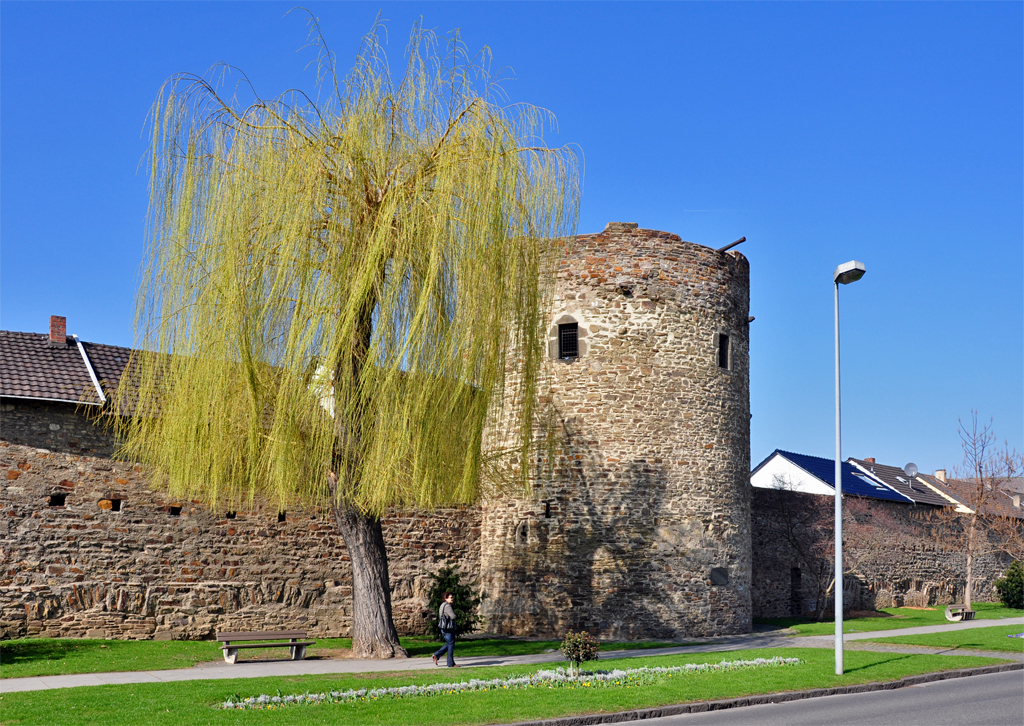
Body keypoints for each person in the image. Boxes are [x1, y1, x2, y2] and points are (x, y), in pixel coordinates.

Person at [432, 591, 458, 667]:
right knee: (451, 645)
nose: (452, 599)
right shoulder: (447, 606)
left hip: (443, 627)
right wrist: (456, 615)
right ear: (445, 598)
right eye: (450, 597)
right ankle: (450, 664)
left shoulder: (442, 605)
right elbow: (453, 616)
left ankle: (436, 655)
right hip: (448, 628)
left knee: (449, 644)